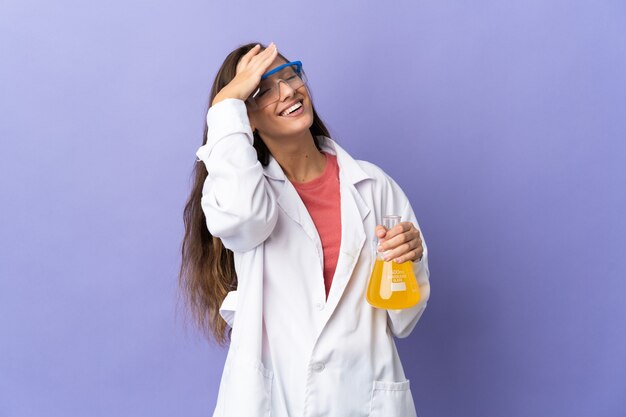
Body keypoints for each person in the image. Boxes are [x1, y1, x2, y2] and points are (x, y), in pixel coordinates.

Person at [179, 41, 431, 417]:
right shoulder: (241, 192)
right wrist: (225, 106)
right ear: (245, 117)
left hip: (364, 400)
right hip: (276, 402)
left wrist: (408, 260)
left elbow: (404, 320)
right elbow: (245, 222)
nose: (288, 91)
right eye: (262, 90)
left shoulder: (375, 187)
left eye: (290, 75)